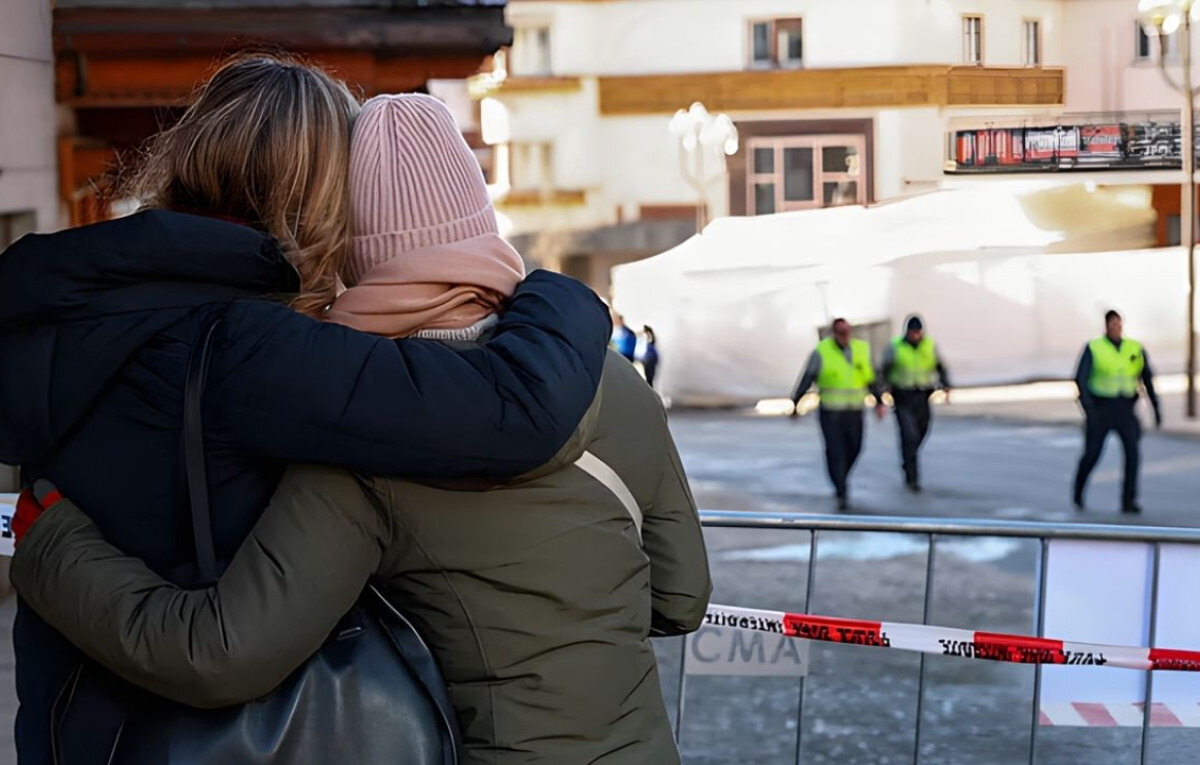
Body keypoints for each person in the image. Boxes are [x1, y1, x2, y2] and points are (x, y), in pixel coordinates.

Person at [10, 95, 710, 765]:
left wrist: (50, 546)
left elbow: (226, 650)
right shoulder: (614, 383)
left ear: (351, 243)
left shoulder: (358, 447)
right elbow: (681, 599)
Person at [789, 318, 885, 511]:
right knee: (835, 451)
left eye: (847, 332)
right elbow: (807, 377)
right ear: (834, 333)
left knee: (855, 448)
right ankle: (841, 490)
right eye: (840, 332)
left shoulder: (861, 350)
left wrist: (879, 402)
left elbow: (871, 377)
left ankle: (842, 478)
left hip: (854, 411)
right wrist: (796, 402)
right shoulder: (822, 352)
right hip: (831, 412)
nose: (844, 336)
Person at [1072, 310, 1161, 514]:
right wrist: (1089, 409)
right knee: (1092, 454)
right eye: (1112, 324)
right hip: (1101, 409)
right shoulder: (1094, 347)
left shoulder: (1134, 348)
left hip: (1125, 408)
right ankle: (1078, 493)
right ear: (1106, 326)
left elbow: (1147, 379)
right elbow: (1081, 379)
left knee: (1133, 454)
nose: (1116, 328)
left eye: (1118, 324)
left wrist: (1156, 408)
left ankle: (1128, 501)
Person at [879, 315, 951, 492]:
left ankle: (908, 458)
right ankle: (912, 476)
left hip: (923, 395)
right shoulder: (895, 346)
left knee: (922, 430)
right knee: (909, 435)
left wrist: (946, 384)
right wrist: (882, 390)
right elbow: (884, 369)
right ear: (907, 332)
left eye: (918, 332)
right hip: (902, 396)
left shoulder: (929, 345)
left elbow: (940, 366)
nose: (916, 335)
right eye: (913, 332)